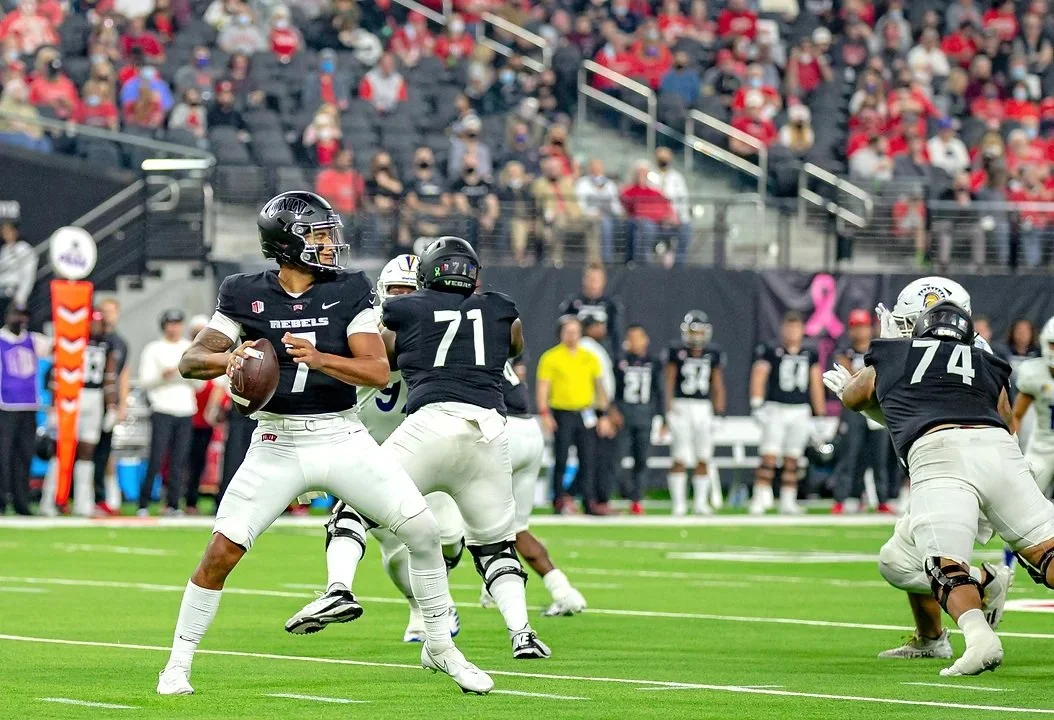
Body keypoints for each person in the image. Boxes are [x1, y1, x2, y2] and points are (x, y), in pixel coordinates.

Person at [157, 195, 492, 696]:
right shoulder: (243, 292)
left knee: (422, 531)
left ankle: (441, 648)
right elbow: (191, 360)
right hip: (276, 440)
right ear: (287, 242)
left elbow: (375, 370)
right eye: (317, 234)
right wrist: (234, 358)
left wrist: (319, 359)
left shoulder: (348, 288)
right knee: (222, 551)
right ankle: (177, 664)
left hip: (340, 434)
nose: (330, 243)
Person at [838, 300, 1054, 677]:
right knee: (1045, 550)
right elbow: (1006, 420)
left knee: (945, 566)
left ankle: (980, 638)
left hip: (939, 452)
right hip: (1000, 451)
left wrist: (865, 388)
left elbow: (855, 396)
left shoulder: (896, 352)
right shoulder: (986, 360)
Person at [377, 237, 549, 660]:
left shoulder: (401, 315)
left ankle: (338, 586)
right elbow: (515, 344)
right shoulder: (498, 308)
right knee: (494, 546)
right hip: (486, 430)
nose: (402, 295)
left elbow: (383, 354)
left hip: (426, 430)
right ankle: (521, 632)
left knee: (360, 510)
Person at [284, 254, 463, 643]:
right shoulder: (362, 332)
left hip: (425, 451)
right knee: (393, 550)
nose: (401, 298)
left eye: (409, 290)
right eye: (395, 290)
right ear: (382, 293)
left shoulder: (438, 332)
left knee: (447, 537)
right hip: (369, 449)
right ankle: (375, 598)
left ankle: (437, 598)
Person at [482, 354, 587, 615]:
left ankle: (491, 582)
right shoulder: (488, 339)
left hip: (502, 428)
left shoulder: (459, 343)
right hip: (529, 429)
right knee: (517, 528)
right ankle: (564, 591)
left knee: (460, 520)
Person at [41, 309, 119, 517]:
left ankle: (83, 502)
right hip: (71, 396)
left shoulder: (107, 345)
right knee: (61, 450)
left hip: (94, 398)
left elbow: (109, 377)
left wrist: (112, 406)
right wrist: (53, 406)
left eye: (99, 323)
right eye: (92, 323)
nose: (96, 327)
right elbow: (57, 373)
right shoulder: (70, 342)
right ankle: (50, 499)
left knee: (87, 451)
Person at [749, 311, 825, 515]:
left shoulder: (809, 353)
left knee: (793, 458)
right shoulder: (771, 350)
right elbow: (759, 375)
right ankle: (759, 497)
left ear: (802, 330)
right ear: (783, 329)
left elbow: (816, 383)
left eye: (796, 327)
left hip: (800, 409)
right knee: (769, 455)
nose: (792, 332)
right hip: (776, 408)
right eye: (789, 327)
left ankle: (788, 500)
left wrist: (819, 414)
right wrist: (756, 403)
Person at [536, 316, 615, 514]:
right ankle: (558, 500)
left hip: (585, 412)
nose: (572, 336)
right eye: (568, 332)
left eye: (575, 331)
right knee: (561, 457)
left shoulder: (589, 357)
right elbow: (543, 387)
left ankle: (588, 500)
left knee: (588, 458)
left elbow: (599, 387)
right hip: (562, 412)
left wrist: (603, 414)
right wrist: (544, 413)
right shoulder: (551, 357)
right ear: (561, 334)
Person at [830, 309, 895, 514]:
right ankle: (843, 497)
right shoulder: (845, 352)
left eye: (863, 326)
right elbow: (848, 376)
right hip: (854, 409)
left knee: (879, 456)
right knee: (850, 454)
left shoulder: (879, 350)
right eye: (855, 327)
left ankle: (883, 498)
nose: (860, 331)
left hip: (876, 406)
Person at [664, 311, 726, 516]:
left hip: (703, 406)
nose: (697, 336)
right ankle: (679, 503)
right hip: (681, 405)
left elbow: (717, 385)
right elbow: (669, 382)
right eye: (694, 331)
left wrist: (719, 412)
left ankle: (700, 502)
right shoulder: (677, 352)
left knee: (704, 456)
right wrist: (667, 411)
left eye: (700, 331)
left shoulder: (713, 353)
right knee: (679, 455)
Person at [137, 309, 197, 516]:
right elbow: (145, 381)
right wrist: (164, 376)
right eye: (170, 324)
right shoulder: (154, 349)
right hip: (162, 408)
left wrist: (184, 375)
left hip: (185, 409)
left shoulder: (189, 348)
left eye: (177, 324)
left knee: (179, 460)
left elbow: (199, 382)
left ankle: (173, 504)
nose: (174, 328)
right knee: (156, 457)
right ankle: (143, 503)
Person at [614, 324, 664, 514]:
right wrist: (613, 411)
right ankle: (625, 492)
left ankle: (636, 499)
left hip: (645, 415)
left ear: (645, 340)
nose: (634, 342)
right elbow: (613, 390)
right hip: (623, 416)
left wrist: (662, 418)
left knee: (641, 460)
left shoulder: (654, 363)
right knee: (616, 459)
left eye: (638, 337)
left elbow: (659, 391)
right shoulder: (620, 361)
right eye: (631, 338)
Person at [0, 304, 41, 515]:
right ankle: (1, 500)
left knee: (24, 456)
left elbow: (59, 347)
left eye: (23, 316)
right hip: (5, 406)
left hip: (28, 405)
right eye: (16, 315)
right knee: (3, 456)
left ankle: (21, 502)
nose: (19, 320)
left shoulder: (33, 340)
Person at [92, 297, 130, 516]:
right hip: (89, 398)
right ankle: (85, 497)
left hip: (109, 402)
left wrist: (122, 404)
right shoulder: (91, 338)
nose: (107, 315)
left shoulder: (119, 342)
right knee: (86, 449)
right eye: (103, 311)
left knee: (105, 451)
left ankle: (106, 498)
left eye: (111, 311)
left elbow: (123, 376)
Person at [1010, 317, 1054, 495]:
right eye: (1053, 344)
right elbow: (1017, 415)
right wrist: (1011, 446)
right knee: (1025, 494)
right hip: (1042, 447)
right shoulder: (1034, 373)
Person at [579, 316, 617, 515]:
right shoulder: (587, 347)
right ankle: (594, 500)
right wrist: (604, 413)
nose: (602, 329)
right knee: (596, 457)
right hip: (594, 409)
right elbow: (598, 381)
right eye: (598, 325)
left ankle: (596, 499)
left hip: (598, 408)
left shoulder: (596, 347)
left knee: (597, 457)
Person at [558, 265, 622, 363]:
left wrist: (617, 358)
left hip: (603, 354)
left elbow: (616, 333)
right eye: (591, 279)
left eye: (597, 280)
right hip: (576, 354)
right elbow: (562, 330)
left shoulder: (611, 304)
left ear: (604, 281)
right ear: (584, 280)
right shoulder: (572, 303)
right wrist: (586, 330)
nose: (593, 283)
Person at [573, 159, 623, 265]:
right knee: (604, 223)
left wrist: (620, 213)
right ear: (589, 168)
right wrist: (592, 213)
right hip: (590, 217)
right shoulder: (583, 183)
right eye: (593, 167)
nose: (596, 169)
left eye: (598, 167)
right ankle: (606, 259)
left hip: (610, 216)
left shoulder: (610, 184)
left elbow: (615, 205)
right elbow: (580, 204)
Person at [0, 219, 36, 321]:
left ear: (15, 232)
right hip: (2, 293)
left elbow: (28, 275)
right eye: (4, 232)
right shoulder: (4, 250)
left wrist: (21, 298)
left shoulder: (24, 248)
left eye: (8, 231)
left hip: (14, 293)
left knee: (16, 321)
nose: (6, 234)